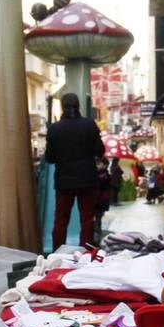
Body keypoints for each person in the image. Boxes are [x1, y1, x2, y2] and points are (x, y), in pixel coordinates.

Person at [44, 93, 102, 249]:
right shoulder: (89, 125)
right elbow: (100, 150)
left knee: (61, 221)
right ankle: (86, 252)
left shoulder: (54, 129)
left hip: (64, 181)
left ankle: (58, 251)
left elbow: (49, 157)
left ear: (62, 106)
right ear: (78, 106)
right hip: (88, 179)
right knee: (87, 219)